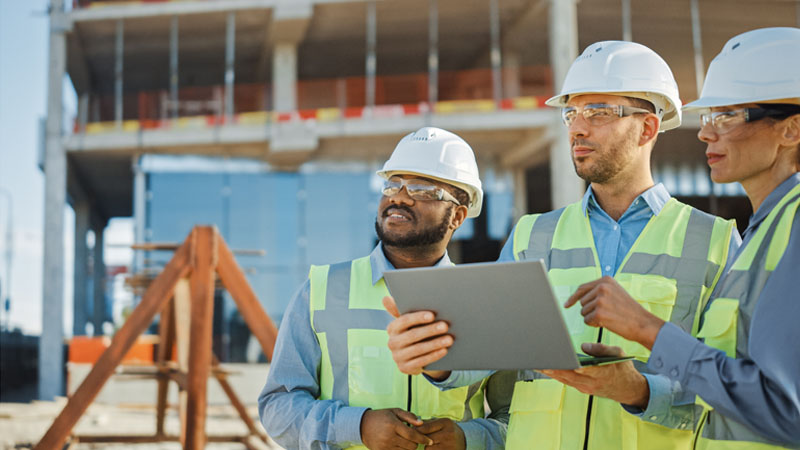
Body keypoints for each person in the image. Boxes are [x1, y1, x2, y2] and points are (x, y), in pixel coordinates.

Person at [383, 41, 741, 450]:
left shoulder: (713, 241)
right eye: (571, 113)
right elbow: (488, 361)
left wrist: (640, 391)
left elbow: (734, 388)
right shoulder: (531, 236)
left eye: (598, 112)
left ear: (647, 128)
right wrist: (437, 359)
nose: (577, 127)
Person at [564, 27, 800, 448]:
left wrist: (646, 329)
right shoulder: (767, 228)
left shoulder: (789, 226)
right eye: (709, 118)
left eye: (727, 116)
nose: (705, 134)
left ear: (791, 130)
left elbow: (785, 408)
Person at [258, 127, 514, 450]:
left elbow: (516, 417)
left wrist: (469, 438)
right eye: (393, 184)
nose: (399, 197)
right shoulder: (320, 292)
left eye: (421, 188)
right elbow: (277, 408)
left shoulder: (486, 307)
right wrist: (359, 426)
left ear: (458, 216)